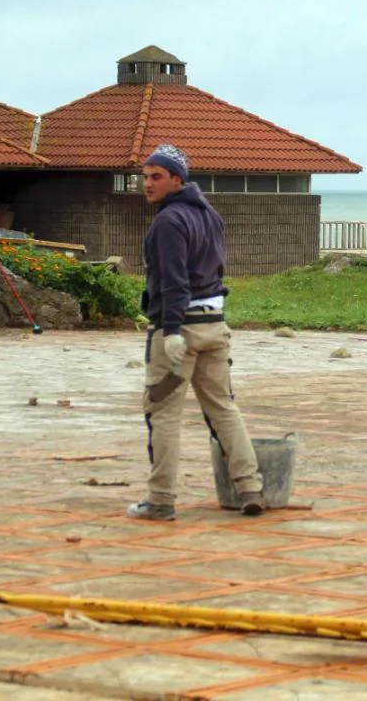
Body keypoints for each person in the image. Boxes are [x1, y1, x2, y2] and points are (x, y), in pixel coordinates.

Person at [127, 143, 264, 521]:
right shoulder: (211, 216)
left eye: (156, 177)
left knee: (163, 413)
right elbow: (215, 272)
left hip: (179, 334)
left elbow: (173, 281)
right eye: (144, 176)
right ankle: (250, 488)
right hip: (214, 328)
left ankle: (160, 500)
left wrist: (170, 331)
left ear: (177, 178)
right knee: (223, 409)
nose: (147, 184)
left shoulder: (169, 222)